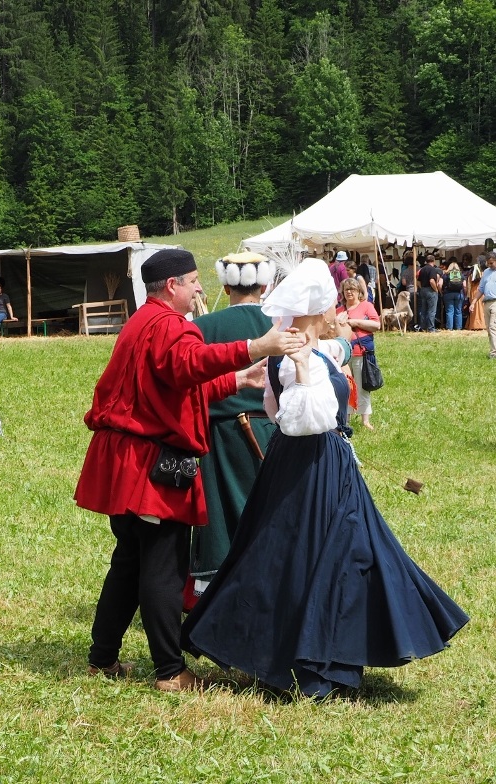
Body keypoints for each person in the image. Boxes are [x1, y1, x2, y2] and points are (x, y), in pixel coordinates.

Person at [182, 259, 468, 698]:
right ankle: (313, 661)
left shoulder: (312, 349)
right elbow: (296, 421)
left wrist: (319, 364)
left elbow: (299, 394)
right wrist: (301, 371)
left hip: (323, 465)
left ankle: (328, 653)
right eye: (332, 306)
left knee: (334, 555)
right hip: (310, 468)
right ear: (317, 310)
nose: (339, 311)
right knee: (314, 557)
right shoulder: (297, 356)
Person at [73, 248, 305, 692]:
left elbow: (177, 385)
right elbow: (187, 365)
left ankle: (101, 660)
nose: (200, 288)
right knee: (163, 565)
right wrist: (256, 347)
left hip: (129, 459)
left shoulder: (144, 322)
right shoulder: (168, 326)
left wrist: (239, 379)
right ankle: (169, 672)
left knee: (129, 561)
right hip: (148, 465)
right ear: (172, 286)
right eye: (194, 280)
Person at [188, 252, 277, 608]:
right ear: (266, 285)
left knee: (221, 521)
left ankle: (218, 603)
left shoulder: (203, 327)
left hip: (218, 437)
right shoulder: (281, 323)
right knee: (269, 513)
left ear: (225, 287)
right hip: (272, 431)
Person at [337, 278, 381, 430]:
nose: (349, 292)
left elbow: (376, 325)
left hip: (361, 353)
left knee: (362, 387)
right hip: (343, 356)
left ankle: (365, 420)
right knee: (345, 387)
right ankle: (345, 419)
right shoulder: (339, 310)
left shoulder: (366, 306)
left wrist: (355, 322)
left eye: (352, 289)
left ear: (359, 292)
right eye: (346, 289)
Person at [417, 254, 443, 332]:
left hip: (423, 290)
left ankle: (423, 327)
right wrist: (435, 289)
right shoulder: (432, 269)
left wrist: (422, 288)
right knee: (432, 310)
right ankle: (431, 328)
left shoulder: (422, 269)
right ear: (434, 261)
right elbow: (431, 280)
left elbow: (418, 281)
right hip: (430, 290)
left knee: (423, 309)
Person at [480, 254, 496, 358]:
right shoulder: (486, 272)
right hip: (486, 302)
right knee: (489, 329)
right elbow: (481, 288)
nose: (489, 265)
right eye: (488, 263)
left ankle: (494, 353)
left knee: (492, 327)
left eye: (491, 263)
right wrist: (473, 302)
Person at [443, 260, 466, 330]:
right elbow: (465, 286)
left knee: (450, 311)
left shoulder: (446, 274)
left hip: (448, 294)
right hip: (459, 294)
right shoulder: (461, 275)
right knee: (458, 311)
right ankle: (458, 327)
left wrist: (442, 291)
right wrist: (465, 294)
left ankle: (449, 328)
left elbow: (440, 284)